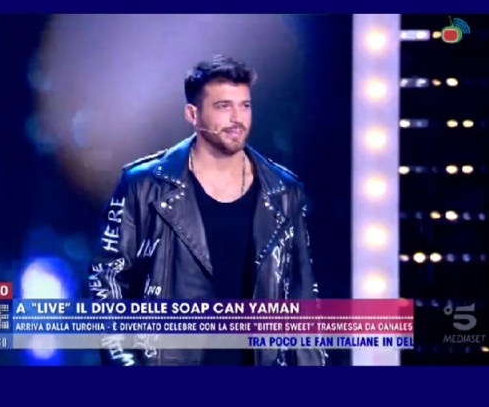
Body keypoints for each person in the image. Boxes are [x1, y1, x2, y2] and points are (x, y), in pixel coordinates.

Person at [88, 55, 327, 366]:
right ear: (193, 114)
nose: (237, 118)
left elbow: (303, 298)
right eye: (223, 106)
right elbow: (106, 285)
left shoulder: (283, 192)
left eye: (245, 105)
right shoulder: (144, 185)